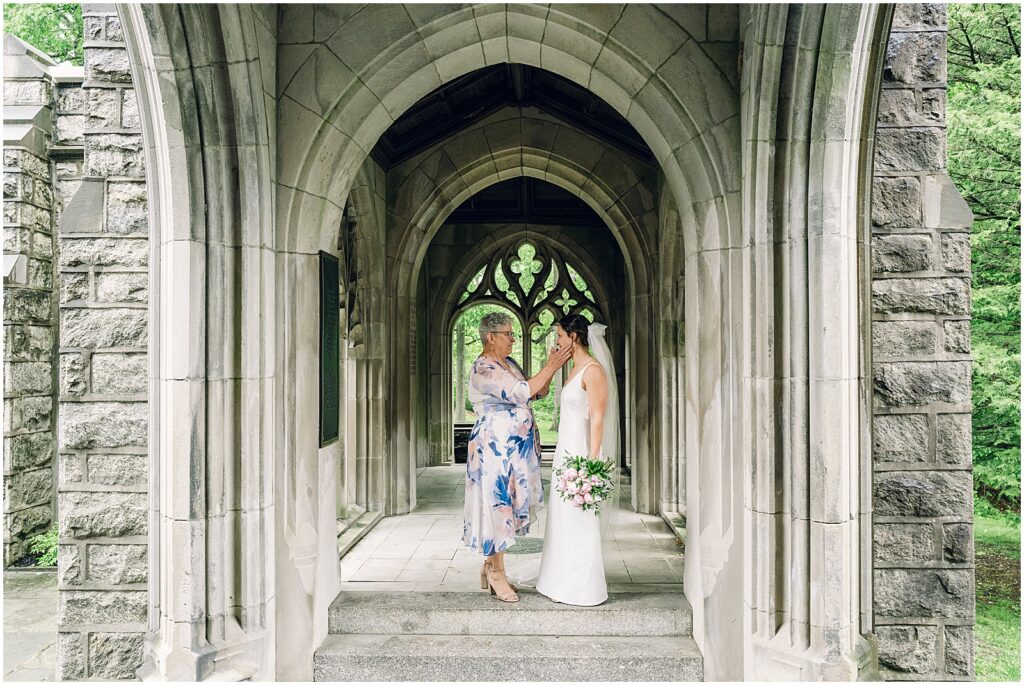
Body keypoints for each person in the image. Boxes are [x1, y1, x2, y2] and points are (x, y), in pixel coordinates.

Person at [462, 311, 572, 603]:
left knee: (508, 505)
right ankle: (496, 571)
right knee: (496, 506)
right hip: (493, 449)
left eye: (512, 334)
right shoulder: (483, 368)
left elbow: (536, 393)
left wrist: (553, 366)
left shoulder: (508, 363)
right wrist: (550, 364)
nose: (513, 339)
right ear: (491, 337)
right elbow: (521, 391)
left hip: (515, 453)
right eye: (508, 334)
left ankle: (491, 566)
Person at [534, 313, 618, 606]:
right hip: (564, 455)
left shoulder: (593, 370)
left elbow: (597, 417)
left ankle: (583, 588)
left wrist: (591, 463)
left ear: (574, 337)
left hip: (581, 457)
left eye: (559, 336)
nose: (556, 342)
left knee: (581, 523)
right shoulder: (572, 369)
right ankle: (559, 581)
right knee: (563, 522)